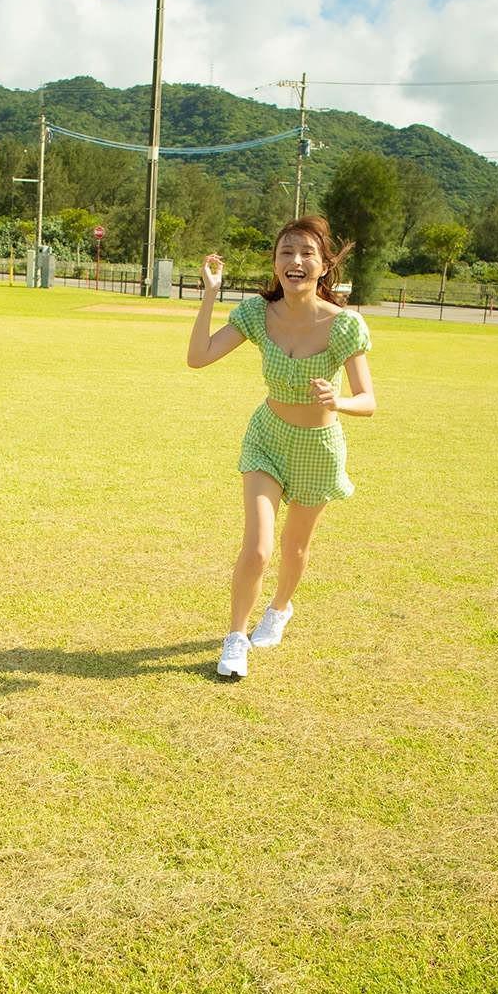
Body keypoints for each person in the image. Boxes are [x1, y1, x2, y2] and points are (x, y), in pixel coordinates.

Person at [187, 216, 376, 679]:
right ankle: (235, 638)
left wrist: (341, 401)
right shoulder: (256, 314)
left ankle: (280, 608)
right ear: (275, 263)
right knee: (258, 549)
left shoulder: (345, 325)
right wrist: (211, 293)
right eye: (286, 252)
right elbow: (198, 358)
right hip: (268, 438)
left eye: (307, 253)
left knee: (295, 548)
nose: (295, 261)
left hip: (319, 446)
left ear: (324, 265)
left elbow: (369, 400)